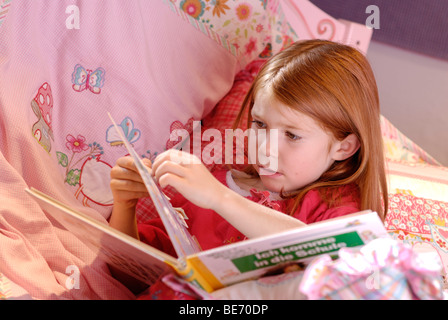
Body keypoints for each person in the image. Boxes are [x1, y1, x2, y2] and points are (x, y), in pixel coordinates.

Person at [109, 39, 388, 290]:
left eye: (292, 135)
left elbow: (331, 261)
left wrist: (221, 199)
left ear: (344, 147)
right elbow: (131, 278)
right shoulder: (211, 187)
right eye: (260, 124)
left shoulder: (336, 208)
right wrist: (125, 205)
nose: (266, 149)